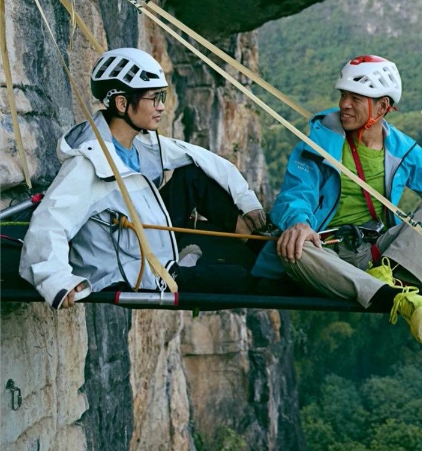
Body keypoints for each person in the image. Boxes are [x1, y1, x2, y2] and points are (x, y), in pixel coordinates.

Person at [253, 55, 422, 346]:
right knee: (293, 248)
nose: (344, 104)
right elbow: (296, 193)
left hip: (377, 252)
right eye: (343, 95)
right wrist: (300, 223)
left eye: (356, 98)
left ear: (382, 107)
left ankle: (393, 276)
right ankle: (394, 298)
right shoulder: (321, 142)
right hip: (324, 251)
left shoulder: (402, 150)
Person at [20, 47, 266, 309]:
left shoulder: (139, 144)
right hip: (136, 273)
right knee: (237, 279)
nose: (161, 106)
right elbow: (50, 220)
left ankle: (261, 244)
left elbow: (203, 158)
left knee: (193, 176)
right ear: (122, 103)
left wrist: (247, 201)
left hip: (145, 234)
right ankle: (203, 264)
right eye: (154, 98)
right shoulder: (90, 163)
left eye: (162, 96)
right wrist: (56, 279)